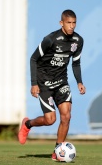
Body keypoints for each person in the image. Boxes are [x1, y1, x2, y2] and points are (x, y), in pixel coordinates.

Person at [18, 9, 86, 161]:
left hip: (62, 81)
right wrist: (34, 84)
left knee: (66, 116)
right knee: (50, 120)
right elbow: (33, 59)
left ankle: (58, 151)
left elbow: (76, 63)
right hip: (45, 83)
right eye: (68, 23)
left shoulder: (78, 41)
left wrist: (79, 82)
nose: (72, 26)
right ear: (61, 23)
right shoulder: (51, 39)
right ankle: (28, 124)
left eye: (74, 23)